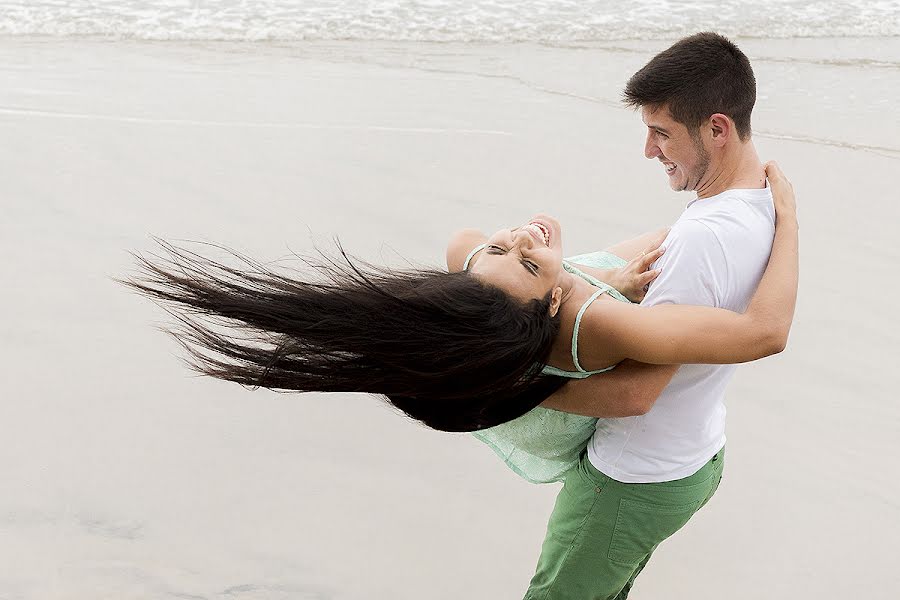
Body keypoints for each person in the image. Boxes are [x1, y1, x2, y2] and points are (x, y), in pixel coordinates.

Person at [475, 32, 791, 600]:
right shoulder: (760, 204)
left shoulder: (704, 237)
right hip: (695, 454)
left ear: (717, 129)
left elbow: (634, 396)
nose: (649, 150)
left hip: (632, 474)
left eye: (661, 133)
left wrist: (511, 388)